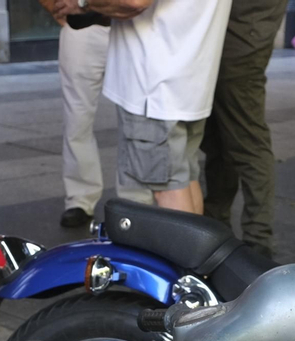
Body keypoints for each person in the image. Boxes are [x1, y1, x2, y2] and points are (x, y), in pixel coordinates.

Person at [52, 0, 234, 214]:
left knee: (167, 189)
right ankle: (197, 247)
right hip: (186, 81)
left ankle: (182, 248)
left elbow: (134, 1)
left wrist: (81, 2)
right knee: (184, 180)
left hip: (156, 89)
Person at [203, 0, 288, 258]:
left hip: (240, 52)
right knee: (220, 142)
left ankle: (258, 239)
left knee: (249, 144)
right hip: (229, 49)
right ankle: (218, 222)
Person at [56, 18, 112, 228]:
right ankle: (80, 198)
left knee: (134, 117)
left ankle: (137, 200)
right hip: (81, 25)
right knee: (76, 118)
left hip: (136, 24)